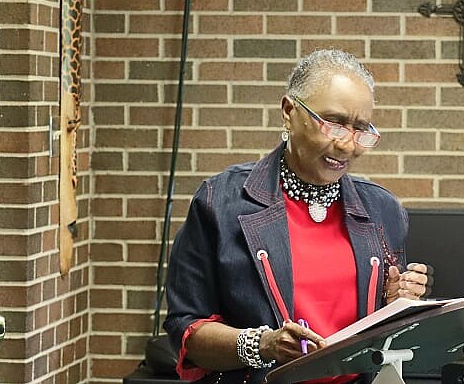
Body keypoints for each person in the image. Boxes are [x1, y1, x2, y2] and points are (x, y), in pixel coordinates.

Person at [163, 48, 431, 384]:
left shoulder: (383, 211)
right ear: (289, 112)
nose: (347, 145)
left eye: (360, 129)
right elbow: (185, 330)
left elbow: (382, 338)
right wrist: (263, 344)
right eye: (333, 123)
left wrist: (396, 304)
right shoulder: (221, 202)